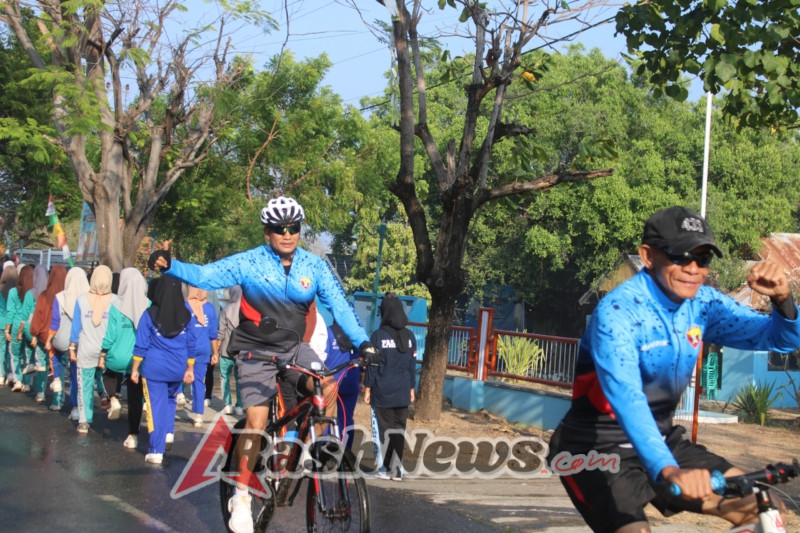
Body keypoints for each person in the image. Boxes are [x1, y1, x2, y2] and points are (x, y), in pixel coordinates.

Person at [547, 206, 800, 533]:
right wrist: (668, 469)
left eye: (703, 258)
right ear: (648, 256)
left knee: (761, 507)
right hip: (595, 447)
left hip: (663, 438)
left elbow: (777, 338)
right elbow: (627, 398)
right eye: (681, 256)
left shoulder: (704, 304)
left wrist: (784, 300)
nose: (694, 269)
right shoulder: (617, 313)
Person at [148, 195, 379, 533]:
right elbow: (206, 275)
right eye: (280, 229)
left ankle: (307, 447)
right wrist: (171, 266)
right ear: (267, 232)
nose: (288, 234)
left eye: (294, 228)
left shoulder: (313, 267)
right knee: (256, 419)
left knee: (326, 386)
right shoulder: (250, 262)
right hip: (255, 348)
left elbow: (341, 307)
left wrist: (364, 343)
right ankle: (240, 495)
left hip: (294, 348)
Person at [131, 275, 197, 464]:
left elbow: (141, 344)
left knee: (155, 407)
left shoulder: (149, 314)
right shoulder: (186, 314)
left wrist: (135, 368)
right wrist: (189, 368)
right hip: (177, 368)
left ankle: (156, 449)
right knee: (170, 400)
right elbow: (191, 344)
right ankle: (168, 432)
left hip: (154, 369)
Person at [364, 293, 417, 481]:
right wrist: (412, 389)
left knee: (385, 430)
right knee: (399, 430)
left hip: (383, 390)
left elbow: (373, 365)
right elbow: (412, 365)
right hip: (403, 391)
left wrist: (367, 388)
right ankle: (397, 470)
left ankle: (387, 468)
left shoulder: (378, 336)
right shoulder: (410, 336)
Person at [100, 267, 149, 448]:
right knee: (136, 397)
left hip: (118, 357)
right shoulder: (149, 305)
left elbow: (110, 335)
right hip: (140, 359)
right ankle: (133, 435)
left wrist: (103, 352)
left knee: (107, 372)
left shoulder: (116, 306)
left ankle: (113, 398)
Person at [69, 265, 118, 434]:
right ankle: (109, 399)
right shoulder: (115, 301)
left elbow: (76, 327)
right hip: (107, 351)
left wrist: (72, 348)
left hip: (86, 349)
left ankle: (84, 421)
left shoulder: (81, 300)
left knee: (85, 385)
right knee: (106, 380)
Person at [46, 267, 90, 418]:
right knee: (75, 375)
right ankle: (75, 408)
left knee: (55, 355)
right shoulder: (88, 298)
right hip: (80, 341)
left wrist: (48, 340)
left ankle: (57, 384)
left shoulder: (60, 297)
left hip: (62, 339)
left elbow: (55, 322)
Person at [29, 265, 67, 405]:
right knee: (60, 367)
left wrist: (34, 333)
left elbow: (37, 317)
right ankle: (58, 399)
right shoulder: (67, 296)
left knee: (42, 363)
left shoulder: (44, 295)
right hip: (61, 338)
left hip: (43, 336)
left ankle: (40, 392)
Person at [184, 284, 219, 428]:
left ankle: (178, 398)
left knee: (178, 376)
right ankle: (199, 415)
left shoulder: (185, 306)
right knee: (199, 381)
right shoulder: (210, 308)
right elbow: (213, 333)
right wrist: (215, 353)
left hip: (185, 348)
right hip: (204, 349)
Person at [324, 320, 361, 449]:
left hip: (329, 381)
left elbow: (323, 357)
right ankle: (346, 450)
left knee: (324, 416)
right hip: (351, 379)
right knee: (346, 417)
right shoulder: (357, 334)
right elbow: (361, 359)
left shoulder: (327, 332)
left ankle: (322, 448)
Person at [5, 265, 33, 392]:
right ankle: (27, 383)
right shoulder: (34, 292)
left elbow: (10, 312)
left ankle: (18, 380)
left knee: (15, 354)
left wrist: (7, 330)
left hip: (16, 325)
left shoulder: (13, 292)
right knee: (28, 355)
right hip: (30, 326)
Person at [217, 285, 243, 416]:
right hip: (241, 352)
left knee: (224, 378)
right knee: (240, 379)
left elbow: (220, 333)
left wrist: (216, 350)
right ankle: (239, 406)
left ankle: (227, 405)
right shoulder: (246, 311)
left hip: (226, 350)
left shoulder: (226, 310)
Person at [0, 262, 18, 386]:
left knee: (1, 349)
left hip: (1, 323)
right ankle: (12, 374)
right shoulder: (18, 291)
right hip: (13, 324)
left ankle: (1, 374)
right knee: (13, 351)